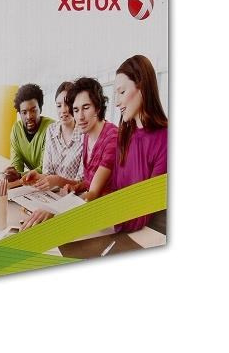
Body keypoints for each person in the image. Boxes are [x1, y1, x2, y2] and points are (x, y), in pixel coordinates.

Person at [20, 77, 116, 230]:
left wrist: (54, 209)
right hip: (91, 211)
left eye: (86, 108)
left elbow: (93, 193)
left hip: (111, 218)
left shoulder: (111, 137)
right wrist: (76, 188)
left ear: (98, 108)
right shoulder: (88, 135)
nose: (80, 116)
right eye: (76, 110)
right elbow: (88, 182)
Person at [112, 55, 168, 232]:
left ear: (142, 87)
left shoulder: (165, 139)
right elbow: (115, 191)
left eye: (122, 92)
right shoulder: (124, 136)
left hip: (150, 233)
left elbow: (147, 205)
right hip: (122, 226)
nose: (117, 102)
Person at [22, 81, 83, 191]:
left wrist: (58, 181)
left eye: (68, 104)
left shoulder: (84, 135)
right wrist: (39, 177)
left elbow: (82, 182)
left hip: (73, 196)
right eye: (59, 106)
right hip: (52, 193)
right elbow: (48, 173)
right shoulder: (51, 130)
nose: (63, 110)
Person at [3, 83, 54, 182]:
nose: (29, 116)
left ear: (40, 109)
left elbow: (46, 168)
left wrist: (19, 175)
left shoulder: (51, 128)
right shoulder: (16, 130)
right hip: (34, 183)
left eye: (33, 110)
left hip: (52, 182)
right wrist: (13, 173)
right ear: (19, 113)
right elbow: (16, 165)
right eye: (24, 112)